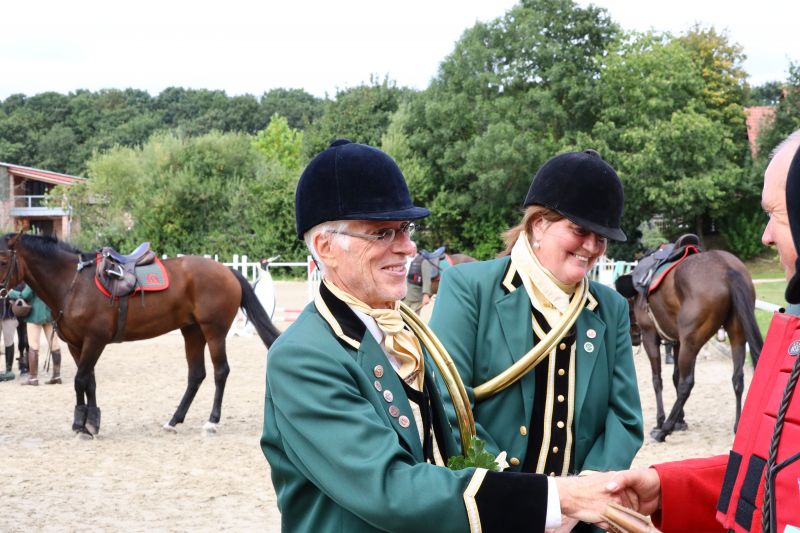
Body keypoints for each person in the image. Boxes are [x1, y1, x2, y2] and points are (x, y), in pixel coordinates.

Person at [260, 139, 628, 533]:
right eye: (382, 234)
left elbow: (451, 443)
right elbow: (390, 489)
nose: (408, 248)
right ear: (326, 247)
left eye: (405, 229)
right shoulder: (303, 357)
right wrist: (556, 498)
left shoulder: (408, 332)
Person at [429, 150, 643, 530]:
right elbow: (449, 405)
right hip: (492, 512)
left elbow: (624, 418)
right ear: (539, 224)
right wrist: (523, 503)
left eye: (602, 238)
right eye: (579, 231)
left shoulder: (610, 308)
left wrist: (581, 500)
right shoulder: (468, 288)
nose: (591, 247)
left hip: (578, 522)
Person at [610, 130, 800, 533]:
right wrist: (668, 486)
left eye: (777, 214)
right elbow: (769, 467)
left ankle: (669, 419)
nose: (765, 235)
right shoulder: (788, 337)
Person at [8, 283, 62, 386]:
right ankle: (57, 376)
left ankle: (33, 378)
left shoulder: (33, 280)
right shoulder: (49, 279)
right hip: (49, 314)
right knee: (54, 345)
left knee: (33, 346)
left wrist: (11, 292)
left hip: (35, 316)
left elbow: (24, 295)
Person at [403, 246, 446, 313]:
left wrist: (426, 294)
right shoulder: (409, 260)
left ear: (414, 249)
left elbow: (426, 278)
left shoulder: (422, 261)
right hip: (409, 295)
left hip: (415, 296)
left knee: (413, 314)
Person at [0, 294, 17, 381]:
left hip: (9, 315)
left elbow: (20, 291)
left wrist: (10, 296)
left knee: (9, 342)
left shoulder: (12, 284)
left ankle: (8, 370)